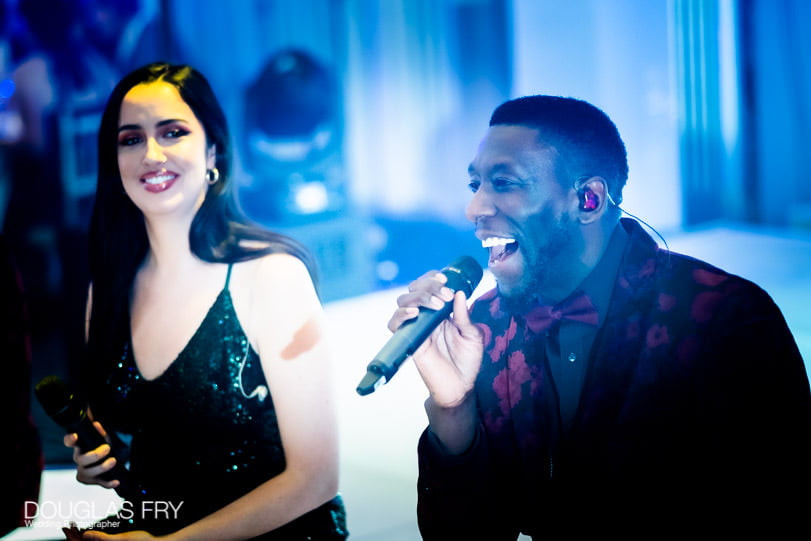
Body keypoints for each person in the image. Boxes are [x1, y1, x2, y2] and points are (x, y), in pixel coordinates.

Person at [388, 95, 811, 538]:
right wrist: (455, 411)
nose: (474, 209)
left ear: (588, 199)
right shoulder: (485, 326)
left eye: (505, 182)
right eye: (475, 185)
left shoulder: (723, 319)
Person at [63, 62, 347, 540]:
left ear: (213, 149)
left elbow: (316, 478)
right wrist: (97, 457)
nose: (151, 154)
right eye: (130, 139)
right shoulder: (108, 290)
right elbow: (134, 442)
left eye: (172, 133)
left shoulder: (271, 277)